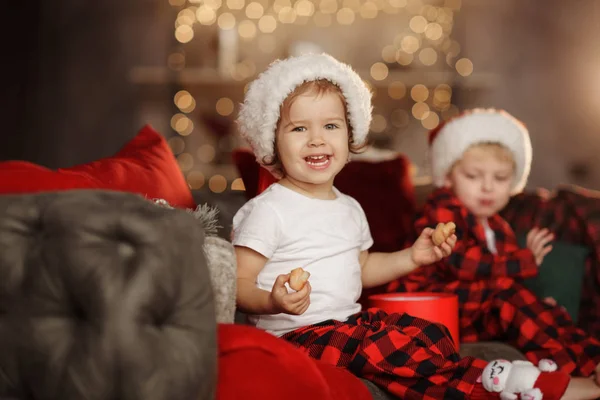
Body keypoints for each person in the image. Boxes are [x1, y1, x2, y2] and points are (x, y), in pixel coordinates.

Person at [232, 54, 599, 399]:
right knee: (388, 350)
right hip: (296, 336)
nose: (317, 138)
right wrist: (271, 299)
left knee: (429, 335)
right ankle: (501, 383)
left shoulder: (348, 208)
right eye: (299, 128)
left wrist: (413, 256)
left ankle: (485, 378)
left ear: (350, 136)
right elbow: (239, 283)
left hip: (345, 325)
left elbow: (361, 268)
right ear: (272, 143)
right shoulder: (269, 210)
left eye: (331, 125)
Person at [397, 108, 600, 380]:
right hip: (436, 309)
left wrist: (536, 302)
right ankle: (574, 366)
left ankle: (589, 357)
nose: (488, 187)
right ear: (447, 176)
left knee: (544, 308)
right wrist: (523, 261)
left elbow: (500, 280)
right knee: (508, 294)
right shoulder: (443, 207)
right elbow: (458, 262)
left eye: (500, 178)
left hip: (478, 313)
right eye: (473, 176)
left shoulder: (498, 227)